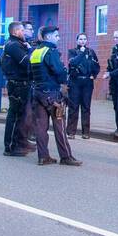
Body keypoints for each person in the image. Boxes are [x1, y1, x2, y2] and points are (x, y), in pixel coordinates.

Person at [26, 26, 81, 167]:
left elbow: (30, 73)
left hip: (37, 93)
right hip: (53, 95)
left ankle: (43, 157)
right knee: (60, 126)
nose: (58, 38)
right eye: (56, 36)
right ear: (48, 37)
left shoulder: (35, 52)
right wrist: (65, 78)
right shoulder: (51, 52)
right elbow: (60, 72)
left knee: (40, 127)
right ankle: (66, 157)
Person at [0, 20, 34, 157]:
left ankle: (17, 144)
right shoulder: (13, 46)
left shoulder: (15, 44)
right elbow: (27, 61)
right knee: (15, 116)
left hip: (20, 83)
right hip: (18, 85)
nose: (24, 32)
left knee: (19, 115)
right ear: (15, 32)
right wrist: (30, 49)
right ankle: (11, 147)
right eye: (21, 30)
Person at [65, 32, 100, 140]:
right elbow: (73, 63)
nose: (82, 41)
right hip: (75, 81)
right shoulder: (72, 52)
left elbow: (96, 65)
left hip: (87, 83)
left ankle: (86, 132)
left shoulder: (91, 52)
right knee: (73, 107)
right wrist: (81, 53)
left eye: (84, 39)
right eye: (80, 39)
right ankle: (71, 132)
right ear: (77, 41)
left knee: (86, 107)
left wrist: (94, 75)